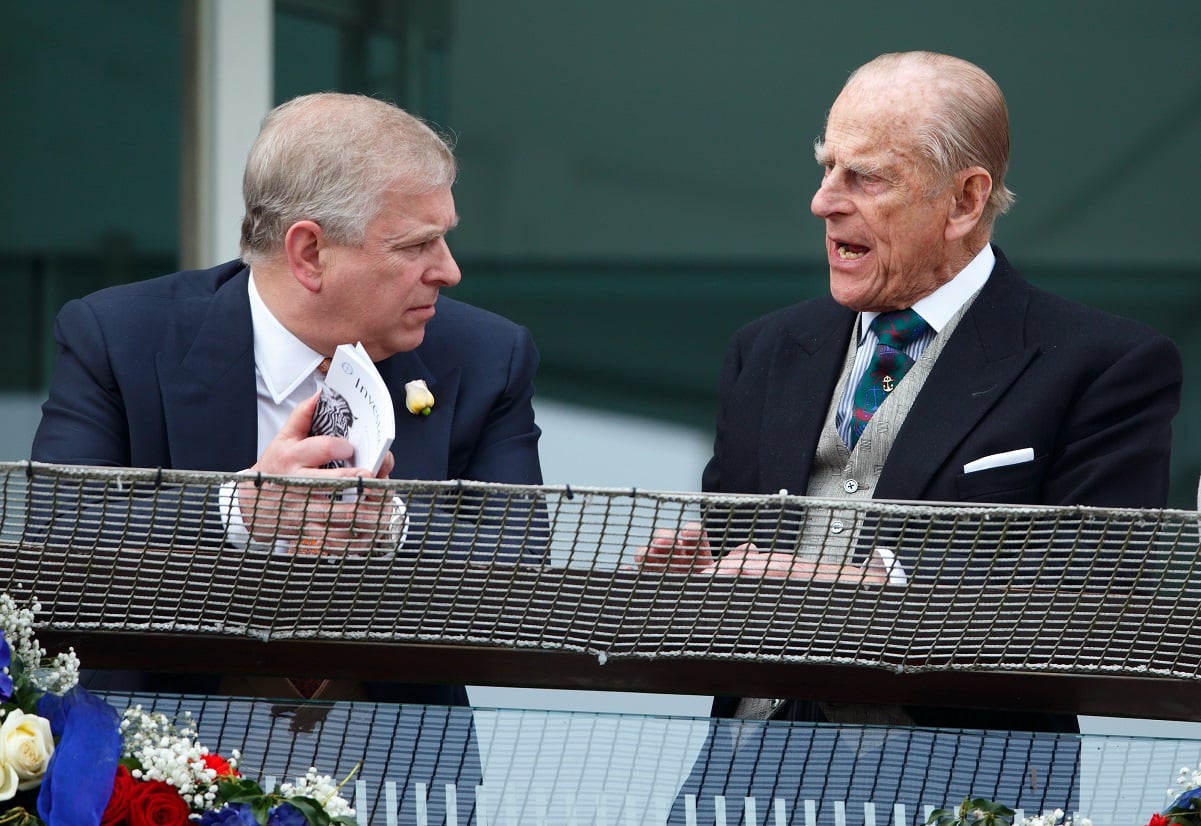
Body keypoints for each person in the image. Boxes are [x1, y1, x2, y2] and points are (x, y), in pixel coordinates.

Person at [647, 50, 1182, 819]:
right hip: (738, 788)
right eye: (826, 167)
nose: (821, 201)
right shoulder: (764, 350)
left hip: (957, 790)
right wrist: (693, 584)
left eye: (864, 177)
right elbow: (744, 574)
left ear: (964, 201)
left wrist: (868, 582)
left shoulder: (1105, 364)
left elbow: (1093, 598)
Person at [31, 92, 545, 710]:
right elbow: (58, 542)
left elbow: (520, 563)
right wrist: (238, 511)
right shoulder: (118, 338)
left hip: (396, 763)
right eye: (416, 246)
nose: (449, 270)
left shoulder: (488, 355)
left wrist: (394, 525)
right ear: (309, 253)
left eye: (444, 240)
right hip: (164, 756)